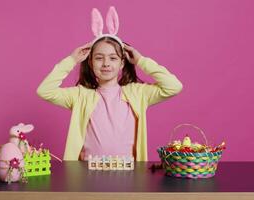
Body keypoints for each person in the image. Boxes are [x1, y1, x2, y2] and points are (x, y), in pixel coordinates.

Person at [37, 7, 183, 161]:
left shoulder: (138, 94)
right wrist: (72, 60)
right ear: (91, 62)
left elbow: (173, 86)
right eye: (99, 58)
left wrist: (141, 60)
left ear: (122, 63)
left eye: (113, 58)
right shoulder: (80, 96)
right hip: (88, 175)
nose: (106, 63)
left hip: (128, 175)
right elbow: (45, 90)